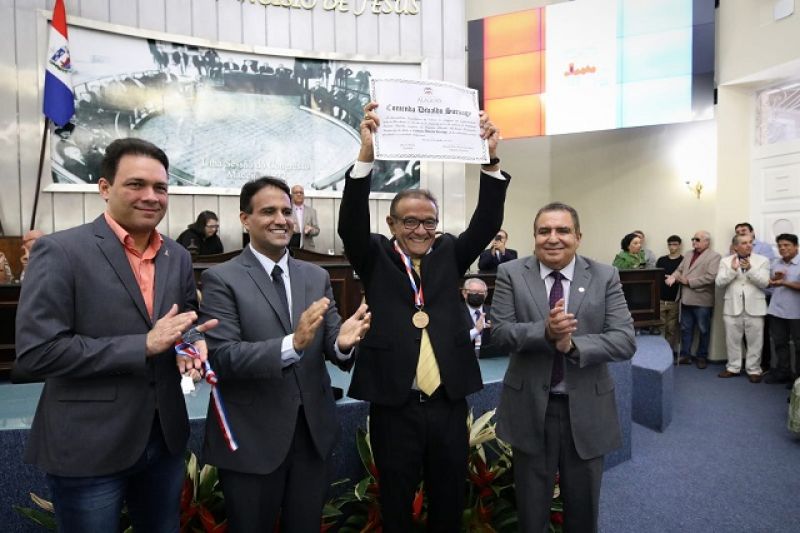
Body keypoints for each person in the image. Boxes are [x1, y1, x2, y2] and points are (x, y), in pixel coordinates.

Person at [14, 138, 214, 532]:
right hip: (90, 444)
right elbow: (37, 353)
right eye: (136, 184)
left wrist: (189, 344)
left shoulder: (178, 256)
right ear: (104, 188)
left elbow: (183, 323)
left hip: (165, 439)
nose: (151, 196)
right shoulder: (60, 251)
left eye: (160, 187)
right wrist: (143, 345)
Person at [338, 101, 509, 531]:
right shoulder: (374, 254)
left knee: (449, 497)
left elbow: (486, 222)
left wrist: (489, 160)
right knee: (396, 501)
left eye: (428, 222)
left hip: (447, 402)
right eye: (410, 222)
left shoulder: (449, 252)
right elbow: (351, 224)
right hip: (394, 403)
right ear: (393, 224)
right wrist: (366, 157)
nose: (420, 230)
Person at [199, 176, 371, 532]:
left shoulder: (316, 275)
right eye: (268, 211)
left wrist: (342, 343)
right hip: (252, 440)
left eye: (286, 211)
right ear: (245, 219)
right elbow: (222, 358)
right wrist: (291, 345)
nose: (281, 219)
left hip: (312, 436)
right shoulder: (221, 279)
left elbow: (331, 338)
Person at [491, 202, 635, 533]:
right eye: (544, 231)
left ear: (578, 237)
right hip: (529, 408)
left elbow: (625, 340)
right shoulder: (511, 273)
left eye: (563, 230)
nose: (553, 238)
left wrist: (571, 345)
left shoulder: (604, 276)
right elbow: (500, 333)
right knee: (530, 512)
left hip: (587, 409)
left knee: (583, 513)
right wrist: (545, 332)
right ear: (534, 237)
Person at [715, 234, 770, 382]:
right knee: (732, 340)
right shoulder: (725, 261)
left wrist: (751, 269)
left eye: (750, 242)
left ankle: (754, 370)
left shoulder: (762, 260)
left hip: (755, 307)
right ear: (735, 246)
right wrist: (732, 271)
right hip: (732, 306)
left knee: (756, 341)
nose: (749, 245)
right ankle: (733, 367)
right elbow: (719, 283)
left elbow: (765, 283)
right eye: (744, 243)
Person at [666, 230, 721, 369]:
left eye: (697, 239)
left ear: (706, 241)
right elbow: (679, 269)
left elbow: (711, 277)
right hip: (685, 299)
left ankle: (702, 357)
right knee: (685, 329)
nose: (694, 242)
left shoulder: (715, 256)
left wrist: (688, 281)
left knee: (703, 330)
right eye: (693, 239)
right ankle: (685, 355)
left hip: (702, 300)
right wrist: (673, 276)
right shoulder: (689, 254)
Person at [764, 233, 800, 385]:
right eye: (780, 246)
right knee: (779, 343)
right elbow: (770, 284)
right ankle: (783, 372)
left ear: (796, 247)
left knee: (799, 346)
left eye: (787, 245)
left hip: (796, 313)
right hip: (776, 311)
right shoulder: (775, 263)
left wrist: (784, 282)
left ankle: (798, 380)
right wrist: (772, 281)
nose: (782, 248)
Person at [656, 235, 684, 356]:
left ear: (679, 245)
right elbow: (656, 277)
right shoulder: (661, 260)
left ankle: (669, 353)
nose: (672, 247)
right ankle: (660, 353)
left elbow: (683, 278)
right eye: (670, 244)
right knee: (660, 328)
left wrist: (675, 278)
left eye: (675, 244)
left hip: (675, 300)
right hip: (661, 299)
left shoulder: (683, 261)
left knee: (671, 329)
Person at [461, 278, 499, 358]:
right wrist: (476, 330)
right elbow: (452, 341)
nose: (477, 295)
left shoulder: (495, 312)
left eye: (481, 292)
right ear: (464, 293)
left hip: (491, 359)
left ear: (485, 295)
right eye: (473, 292)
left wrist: (497, 329)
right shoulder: (454, 313)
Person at [289, 184, 320, 250]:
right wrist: (290, 228)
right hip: (291, 248)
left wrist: (310, 230)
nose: (299, 194)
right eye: (296, 192)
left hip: (308, 249)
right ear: (291, 195)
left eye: (301, 192)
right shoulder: (287, 211)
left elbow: (317, 230)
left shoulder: (312, 211)